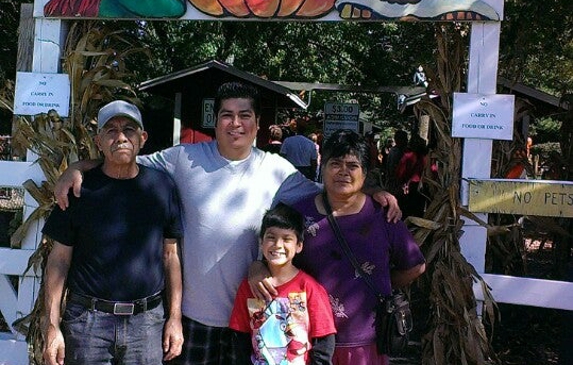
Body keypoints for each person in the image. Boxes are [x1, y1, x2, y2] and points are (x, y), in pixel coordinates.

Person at [54, 82, 400, 365]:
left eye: (244, 115)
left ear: (257, 124)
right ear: (215, 120)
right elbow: (122, 161)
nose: (236, 123)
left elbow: (331, 193)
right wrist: (77, 167)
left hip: (253, 319)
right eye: (227, 115)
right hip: (190, 319)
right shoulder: (182, 158)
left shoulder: (276, 171)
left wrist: (372, 190)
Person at [254, 130, 425, 365]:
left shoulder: (383, 216)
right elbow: (274, 259)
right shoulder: (298, 215)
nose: (343, 171)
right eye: (335, 163)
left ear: (365, 174)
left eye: (352, 165)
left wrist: (380, 283)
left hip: (366, 343)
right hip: (305, 340)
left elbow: (415, 266)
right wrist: (257, 267)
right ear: (322, 167)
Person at [42, 100, 184, 365]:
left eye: (129, 130)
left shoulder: (162, 187)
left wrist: (174, 318)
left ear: (142, 138)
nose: (121, 137)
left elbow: (170, 256)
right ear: (98, 142)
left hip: (147, 324)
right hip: (87, 324)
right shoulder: (77, 191)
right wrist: (51, 327)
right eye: (111, 130)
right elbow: (59, 260)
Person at [229, 203, 336, 365]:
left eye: (287, 239)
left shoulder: (309, 288)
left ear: (299, 245)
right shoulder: (248, 287)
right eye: (271, 237)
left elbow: (324, 340)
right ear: (261, 242)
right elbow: (239, 336)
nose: (278, 245)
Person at [395, 133, 429, 219]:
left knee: (406, 210)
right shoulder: (426, 158)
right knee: (419, 211)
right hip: (422, 187)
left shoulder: (407, 156)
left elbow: (400, 173)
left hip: (409, 187)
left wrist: (401, 183)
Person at [385, 130, 408, 196]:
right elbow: (393, 170)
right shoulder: (396, 152)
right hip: (395, 185)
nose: (407, 141)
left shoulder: (395, 150)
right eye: (405, 139)